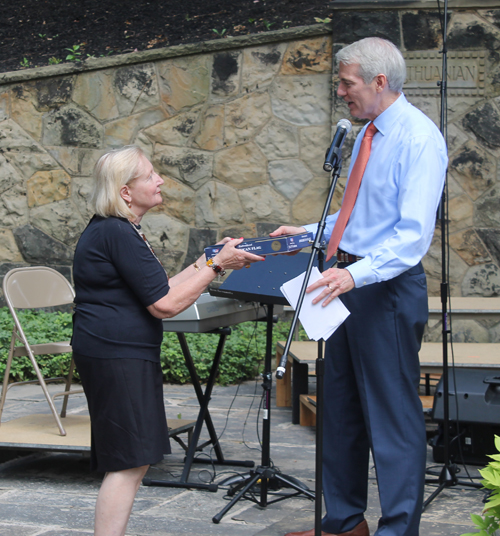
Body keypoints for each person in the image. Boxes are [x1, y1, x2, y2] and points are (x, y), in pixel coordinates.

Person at [272, 38, 448, 536]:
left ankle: (398, 530)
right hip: (344, 282)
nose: (340, 91)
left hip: (383, 290)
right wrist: (308, 233)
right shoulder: (367, 133)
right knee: (340, 408)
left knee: (392, 415)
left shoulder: (418, 138)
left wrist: (354, 274)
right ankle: (345, 522)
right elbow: (359, 218)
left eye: (346, 82)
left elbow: (410, 237)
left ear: (378, 81)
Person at [71, 145, 264, 536]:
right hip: (117, 355)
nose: (160, 180)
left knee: (131, 461)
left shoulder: (117, 229)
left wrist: (208, 259)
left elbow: (156, 288)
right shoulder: (116, 231)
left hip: (116, 352)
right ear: (126, 191)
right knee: (128, 462)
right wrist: (216, 266)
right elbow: (166, 304)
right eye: (150, 175)